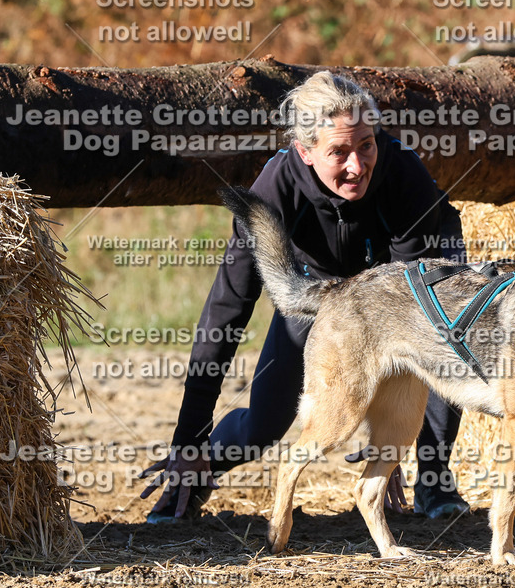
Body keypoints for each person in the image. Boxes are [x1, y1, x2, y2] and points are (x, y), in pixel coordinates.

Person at [141, 71, 469, 522]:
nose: (357, 165)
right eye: (338, 152)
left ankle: (433, 478)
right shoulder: (274, 189)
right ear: (305, 150)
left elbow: (412, 312)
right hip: (314, 290)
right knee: (265, 425)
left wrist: (389, 445)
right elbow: (228, 308)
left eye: (367, 145)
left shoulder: (403, 172)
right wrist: (188, 439)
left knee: (443, 343)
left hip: (405, 286)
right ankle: (195, 473)